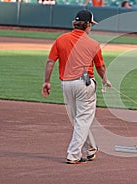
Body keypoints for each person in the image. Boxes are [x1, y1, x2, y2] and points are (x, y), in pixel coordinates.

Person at [42, 9, 112, 164]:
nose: (91, 27)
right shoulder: (93, 44)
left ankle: (91, 149)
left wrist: (46, 81)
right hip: (84, 84)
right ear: (87, 24)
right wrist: (105, 80)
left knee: (78, 119)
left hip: (66, 84)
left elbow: (50, 61)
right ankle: (73, 154)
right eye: (91, 25)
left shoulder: (61, 39)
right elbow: (100, 67)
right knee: (82, 119)